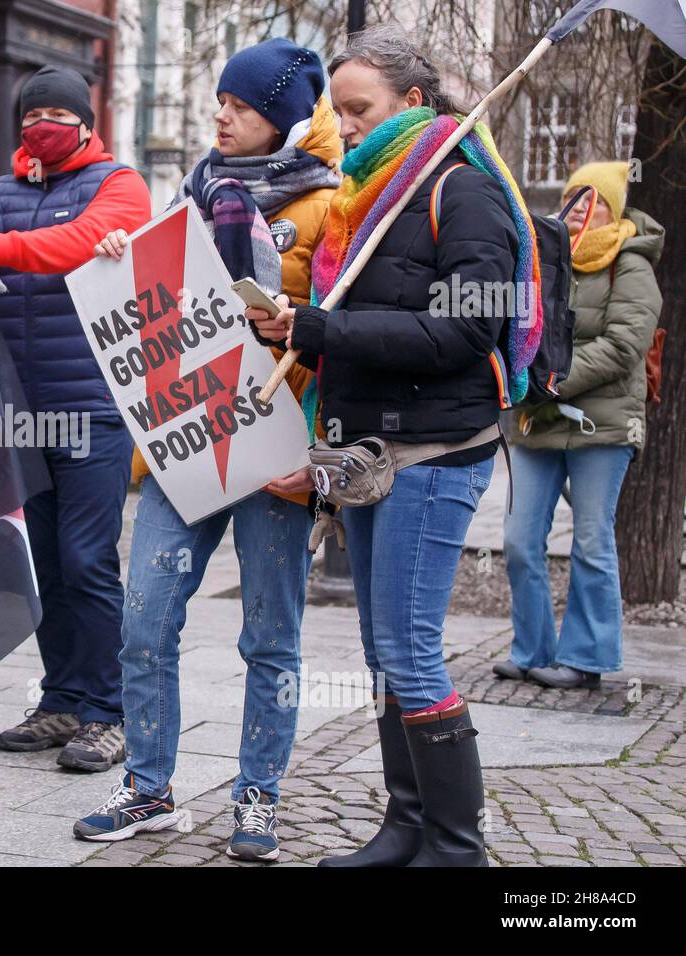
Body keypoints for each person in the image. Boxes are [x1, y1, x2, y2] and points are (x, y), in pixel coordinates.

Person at [251, 25, 539, 867]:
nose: (344, 124)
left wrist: (327, 328)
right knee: (383, 652)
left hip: (436, 451)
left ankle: (456, 846)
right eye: (336, 111)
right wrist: (300, 326)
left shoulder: (466, 192)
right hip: (371, 449)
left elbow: (467, 329)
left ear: (413, 103)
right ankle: (407, 826)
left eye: (359, 108)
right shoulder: (367, 200)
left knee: (409, 647)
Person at [71, 39, 342, 862]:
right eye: (221, 100)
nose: (222, 115)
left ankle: (257, 795)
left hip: (275, 448)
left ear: (286, 119)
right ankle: (148, 786)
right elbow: (162, 301)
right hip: (183, 441)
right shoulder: (195, 192)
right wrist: (126, 257)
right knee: (145, 624)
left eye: (243, 106)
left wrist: (297, 322)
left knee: (270, 635)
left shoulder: (334, 208)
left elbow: (345, 326)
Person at [0, 66, 152, 771]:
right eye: (33, 116)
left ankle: (109, 711)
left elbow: (83, 240)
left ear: (87, 124)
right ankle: (62, 698)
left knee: (90, 562)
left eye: (60, 114)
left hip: (93, 406)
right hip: (21, 411)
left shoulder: (121, 184)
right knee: (50, 564)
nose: (44, 126)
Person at [500, 161, 663, 689]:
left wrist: (553, 380)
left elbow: (622, 347)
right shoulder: (543, 261)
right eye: (572, 199)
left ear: (610, 212)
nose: (576, 212)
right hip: (535, 422)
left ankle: (586, 659)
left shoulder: (631, 266)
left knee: (591, 541)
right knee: (521, 540)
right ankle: (532, 650)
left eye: (590, 202)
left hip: (604, 425)